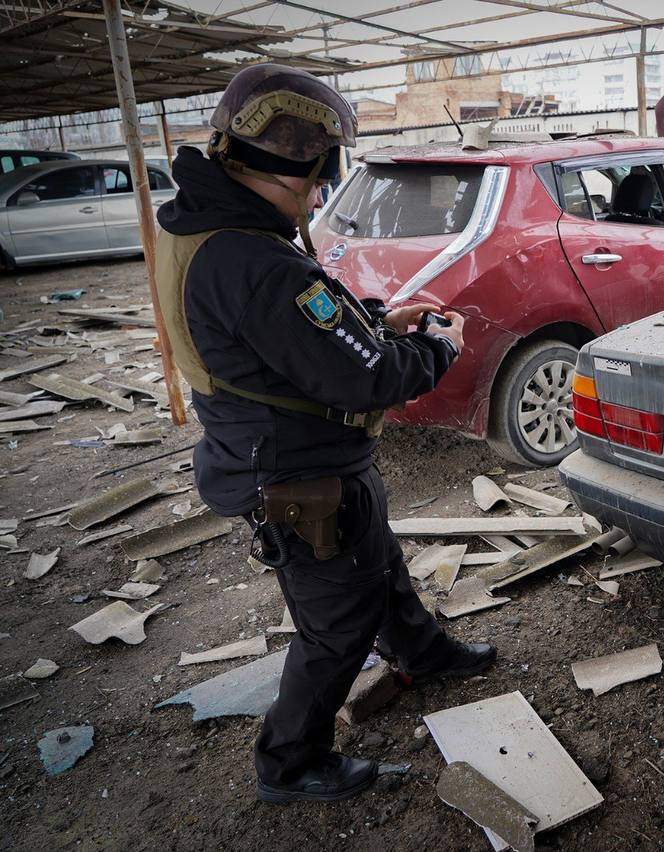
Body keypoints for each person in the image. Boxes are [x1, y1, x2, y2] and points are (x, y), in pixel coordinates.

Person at [155, 64, 496, 805]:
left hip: (289, 452)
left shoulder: (212, 226)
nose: (320, 194)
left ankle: (422, 653)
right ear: (307, 163)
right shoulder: (253, 259)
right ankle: (290, 762)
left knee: (376, 565)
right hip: (294, 472)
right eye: (319, 179)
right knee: (336, 624)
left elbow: (287, 343)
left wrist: (374, 321)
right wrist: (440, 346)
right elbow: (368, 379)